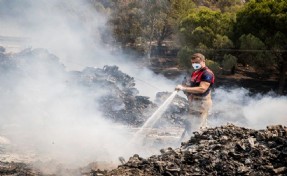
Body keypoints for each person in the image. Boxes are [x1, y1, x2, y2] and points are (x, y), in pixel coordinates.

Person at [175, 53, 215, 133]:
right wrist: (185, 89)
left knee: (198, 127)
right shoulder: (196, 72)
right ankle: (188, 141)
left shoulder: (207, 73)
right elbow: (191, 85)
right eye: (193, 63)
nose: (194, 64)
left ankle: (198, 142)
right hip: (194, 102)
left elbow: (202, 89)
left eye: (197, 62)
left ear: (203, 61)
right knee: (189, 125)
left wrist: (184, 88)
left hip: (202, 103)